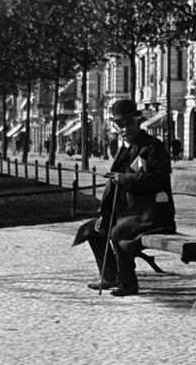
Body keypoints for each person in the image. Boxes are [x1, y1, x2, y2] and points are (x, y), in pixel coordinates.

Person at [71, 99, 176, 297]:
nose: (125, 128)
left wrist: (125, 179)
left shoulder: (153, 147)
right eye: (120, 125)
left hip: (152, 213)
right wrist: (104, 213)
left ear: (138, 121)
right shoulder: (125, 148)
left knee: (118, 232)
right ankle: (110, 276)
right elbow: (114, 186)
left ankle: (129, 284)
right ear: (115, 126)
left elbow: (158, 180)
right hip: (131, 212)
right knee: (92, 229)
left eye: (129, 123)